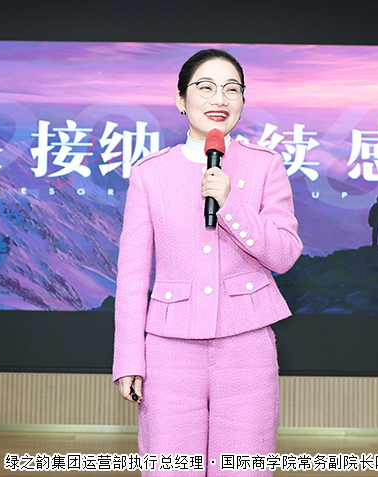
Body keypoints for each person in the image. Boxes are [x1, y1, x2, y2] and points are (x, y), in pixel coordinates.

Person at [112, 49, 302, 476]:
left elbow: (285, 254)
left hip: (247, 346)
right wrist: (129, 359)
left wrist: (230, 202)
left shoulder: (265, 165)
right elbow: (132, 275)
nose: (220, 98)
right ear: (181, 99)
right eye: (206, 87)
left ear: (243, 101)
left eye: (232, 89)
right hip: (169, 350)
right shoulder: (150, 173)